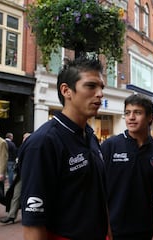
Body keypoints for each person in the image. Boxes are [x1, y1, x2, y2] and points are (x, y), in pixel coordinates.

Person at [19, 57, 109, 240]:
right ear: (66, 90)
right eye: (91, 86)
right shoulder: (43, 143)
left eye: (102, 87)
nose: (100, 93)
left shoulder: (90, 136)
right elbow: (33, 224)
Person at [100, 94, 153, 240]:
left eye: (137, 113)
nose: (131, 117)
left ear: (150, 117)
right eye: (127, 113)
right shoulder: (110, 146)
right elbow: (98, 191)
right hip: (114, 230)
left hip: (145, 230)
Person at [0, 132, 31, 225]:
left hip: (31, 177)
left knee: (29, 197)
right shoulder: (21, 148)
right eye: (23, 138)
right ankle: (11, 216)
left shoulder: (33, 148)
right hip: (21, 176)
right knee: (16, 195)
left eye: (26, 138)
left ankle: (28, 215)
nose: (24, 139)